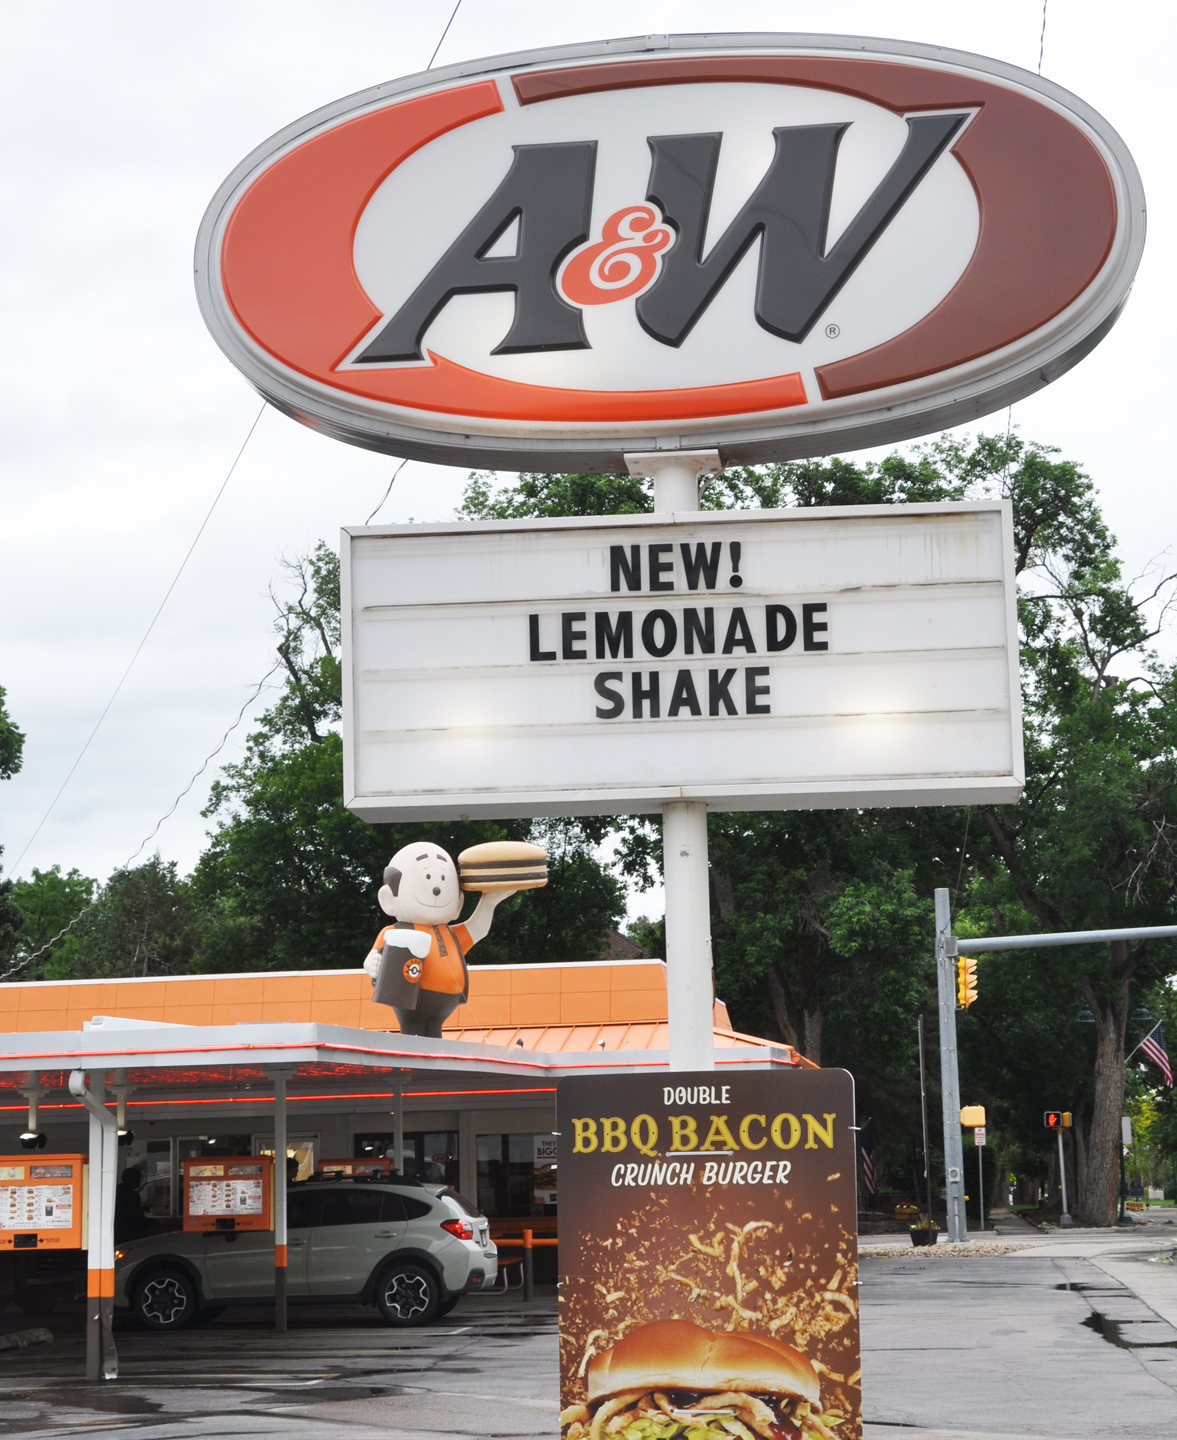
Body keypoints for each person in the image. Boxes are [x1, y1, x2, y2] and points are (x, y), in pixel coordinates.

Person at [113, 1167, 149, 1242]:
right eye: (138, 1178)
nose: (139, 1181)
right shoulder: (132, 1195)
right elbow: (133, 1216)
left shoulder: (116, 1191)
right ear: (132, 1179)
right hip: (128, 1234)